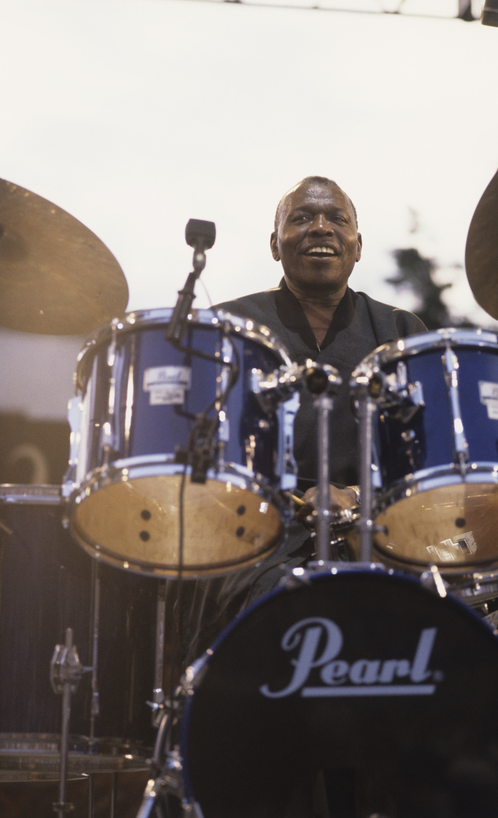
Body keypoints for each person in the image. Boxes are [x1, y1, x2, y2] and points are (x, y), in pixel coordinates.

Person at [178, 176, 426, 664]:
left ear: (357, 246)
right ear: (275, 244)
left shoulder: (401, 332)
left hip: (383, 532)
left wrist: (356, 498)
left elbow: (427, 460)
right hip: (255, 539)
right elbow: (196, 457)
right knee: (274, 598)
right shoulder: (226, 328)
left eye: (337, 219)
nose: (320, 228)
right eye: (301, 218)